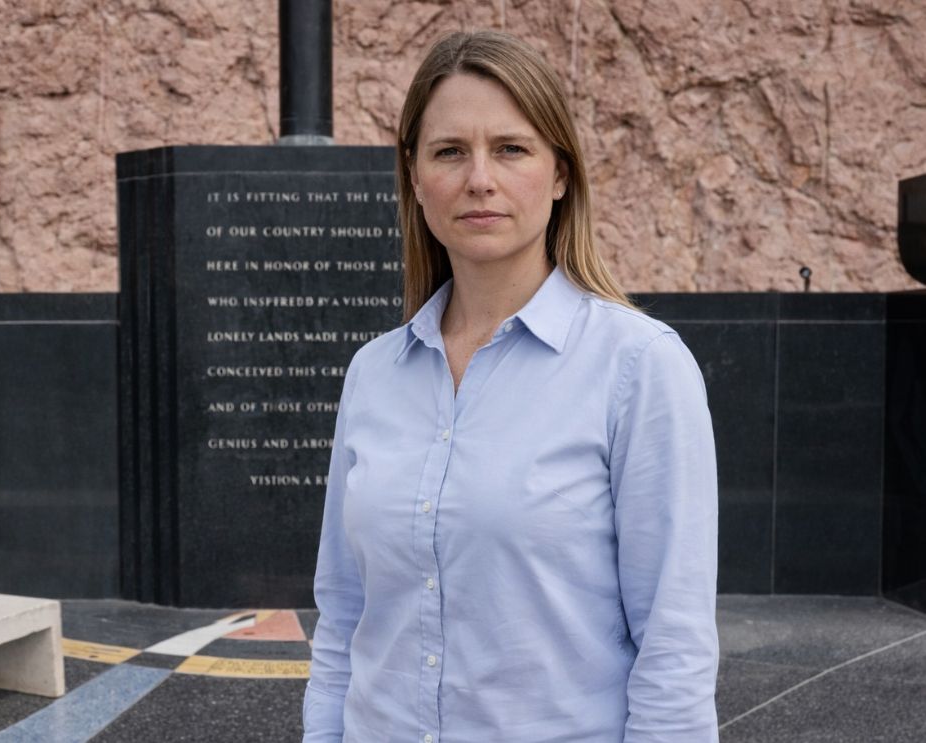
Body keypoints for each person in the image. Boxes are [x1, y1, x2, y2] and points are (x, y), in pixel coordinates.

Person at [302, 30, 719, 743]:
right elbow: (343, 616)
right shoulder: (374, 372)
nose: (479, 179)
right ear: (414, 176)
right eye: (449, 151)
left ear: (559, 173)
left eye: (511, 148)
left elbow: (673, 644)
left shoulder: (637, 366)